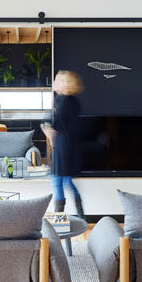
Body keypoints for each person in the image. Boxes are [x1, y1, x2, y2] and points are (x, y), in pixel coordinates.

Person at [43, 69, 84, 218]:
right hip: (66, 146)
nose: (54, 83)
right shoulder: (69, 100)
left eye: (58, 80)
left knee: (57, 180)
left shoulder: (64, 101)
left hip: (63, 147)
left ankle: (58, 217)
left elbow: (56, 122)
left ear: (65, 84)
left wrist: (47, 128)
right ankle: (80, 214)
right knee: (64, 179)